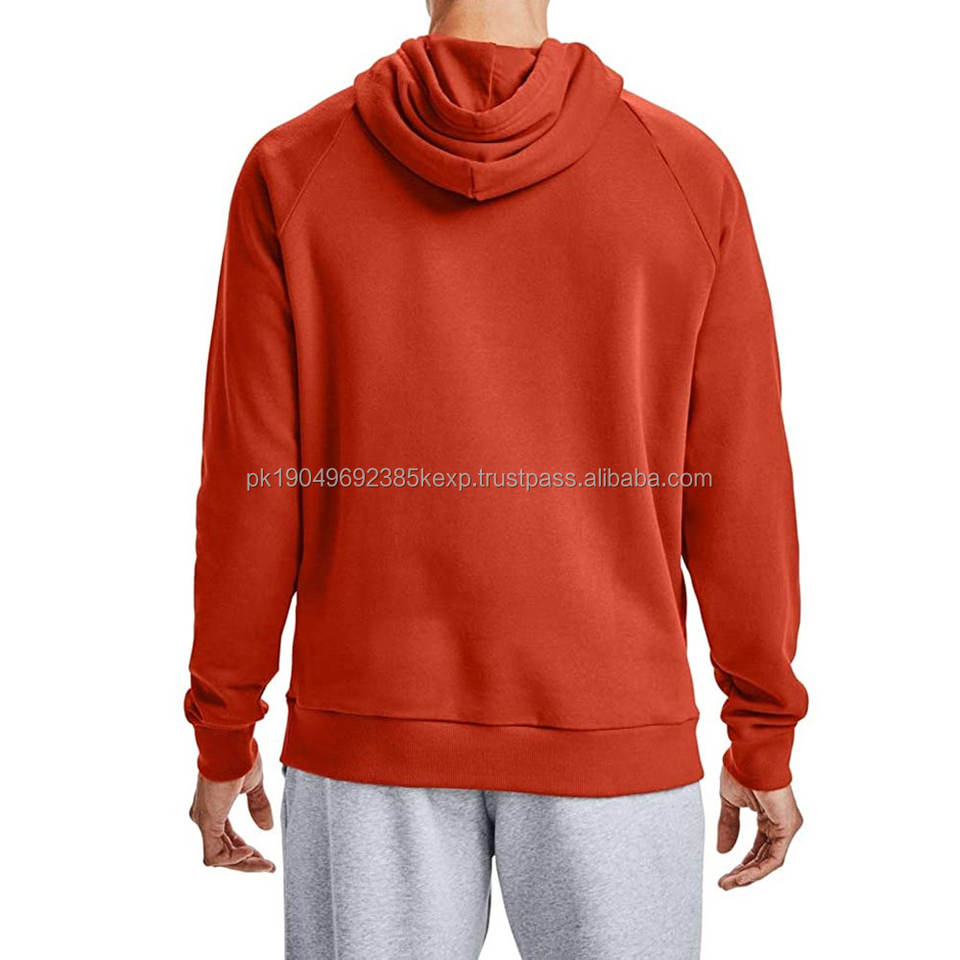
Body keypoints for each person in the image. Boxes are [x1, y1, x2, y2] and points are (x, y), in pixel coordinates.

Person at [185, 0, 808, 956]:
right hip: (613, 730)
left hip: (369, 732)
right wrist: (761, 728)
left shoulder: (293, 169)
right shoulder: (684, 172)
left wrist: (225, 726)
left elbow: (252, 484)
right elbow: (740, 479)